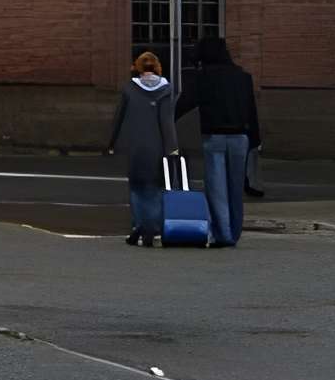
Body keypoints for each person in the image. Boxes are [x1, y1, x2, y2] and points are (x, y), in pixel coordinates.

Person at [174, 33, 262, 247]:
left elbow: (184, 103)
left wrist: (167, 122)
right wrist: (255, 140)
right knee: (235, 189)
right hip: (240, 138)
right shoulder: (243, 77)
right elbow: (251, 110)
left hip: (213, 137)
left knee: (216, 189)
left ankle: (223, 234)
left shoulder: (203, 77)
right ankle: (234, 231)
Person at [106, 50, 179, 246]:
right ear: (157, 67)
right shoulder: (167, 90)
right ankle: (154, 229)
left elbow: (119, 118)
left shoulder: (130, 89)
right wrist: (172, 148)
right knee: (155, 189)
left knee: (137, 188)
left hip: (136, 146)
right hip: (158, 146)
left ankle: (138, 227)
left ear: (138, 67)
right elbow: (167, 122)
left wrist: (111, 143)